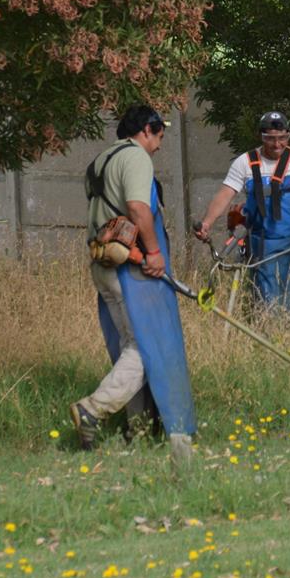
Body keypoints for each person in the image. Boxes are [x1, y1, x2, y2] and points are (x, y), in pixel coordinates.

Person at [72, 105, 197, 456]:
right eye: (159, 135)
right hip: (132, 269)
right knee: (148, 349)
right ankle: (92, 410)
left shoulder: (100, 161)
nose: (159, 144)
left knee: (130, 347)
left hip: (104, 264)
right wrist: (155, 253)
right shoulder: (137, 158)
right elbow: (139, 209)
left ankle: (137, 430)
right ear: (147, 130)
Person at [195, 111, 290, 315]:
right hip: (264, 250)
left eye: (282, 138)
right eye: (270, 139)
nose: (277, 145)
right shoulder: (245, 162)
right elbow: (224, 196)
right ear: (261, 136)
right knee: (268, 309)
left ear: (289, 135)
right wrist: (206, 223)